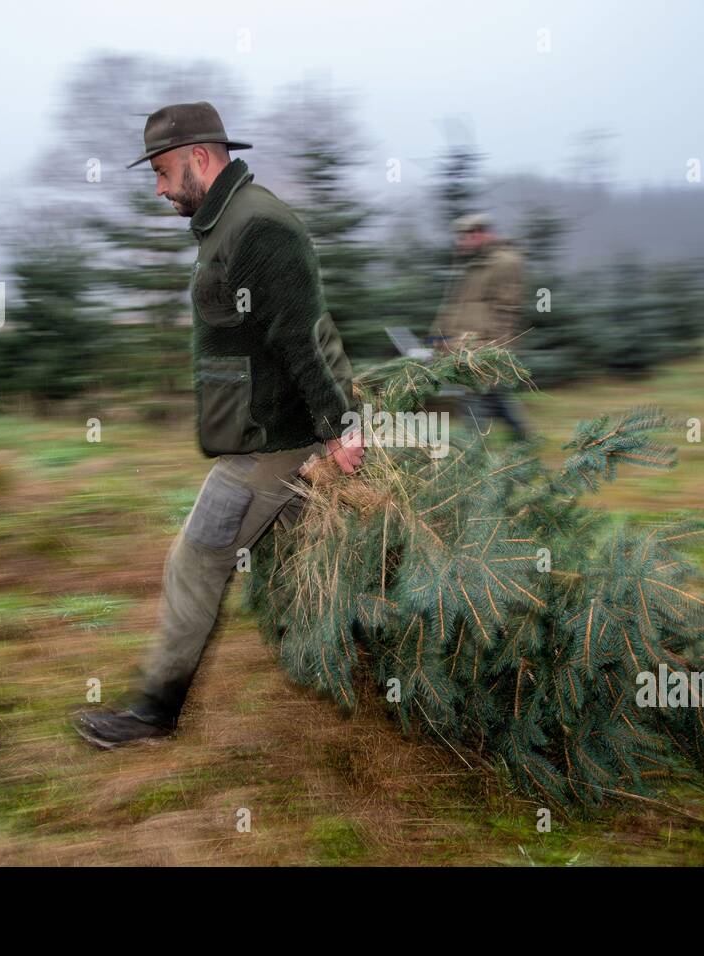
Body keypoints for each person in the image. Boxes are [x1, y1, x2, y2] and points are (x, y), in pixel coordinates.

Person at [75, 101, 364, 748]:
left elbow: (303, 339)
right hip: (274, 434)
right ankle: (356, 677)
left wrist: (341, 429)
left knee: (195, 561)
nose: (157, 187)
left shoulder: (258, 228)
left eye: (161, 171)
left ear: (199, 159)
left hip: (273, 444)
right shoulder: (231, 223)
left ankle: (154, 713)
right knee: (309, 564)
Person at [428, 213, 530, 440]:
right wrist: (438, 336)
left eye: (465, 237)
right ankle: (523, 436)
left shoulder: (505, 262)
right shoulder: (475, 263)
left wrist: (496, 351)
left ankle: (470, 449)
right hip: (465, 344)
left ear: (482, 234)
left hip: (484, 346)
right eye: (459, 237)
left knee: (473, 396)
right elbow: (456, 305)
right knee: (492, 396)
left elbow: (509, 310)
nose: (460, 242)